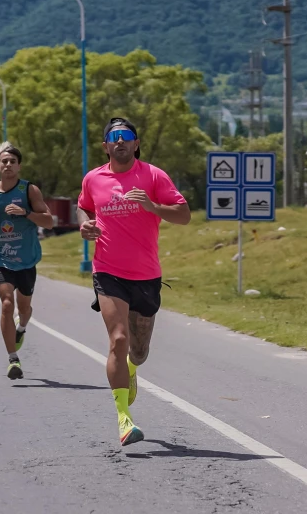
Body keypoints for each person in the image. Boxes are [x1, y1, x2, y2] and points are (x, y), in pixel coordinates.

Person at [78, 117, 190, 447]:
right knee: (118, 337)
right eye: (114, 137)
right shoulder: (93, 178)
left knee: (138, 352)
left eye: (127, 136)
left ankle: (132, 366)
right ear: (106, 146)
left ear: (136, 143)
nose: (120, 142)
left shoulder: (153, 176)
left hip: (146, 275)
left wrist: (152, 206)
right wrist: (86, 226)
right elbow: (83, 208)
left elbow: (183, 215)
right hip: (107, 270)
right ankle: (124, 419)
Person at [0, 142, 51, 380]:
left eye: (12, 161)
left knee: (24, 309)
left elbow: (49, 221)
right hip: (1, 257)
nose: (8, 165)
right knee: (7, 304)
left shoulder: (29, 190)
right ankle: (13, 359)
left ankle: (21, 329)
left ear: (18, 166)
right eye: (4, 161)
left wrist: (26, 213)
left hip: (27, 259)